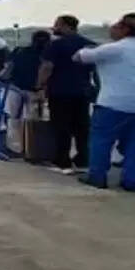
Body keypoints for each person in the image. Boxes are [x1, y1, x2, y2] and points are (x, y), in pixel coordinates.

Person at [74, 16, 135, 191]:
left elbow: (78, 57)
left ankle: (97, 176)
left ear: (124, 30)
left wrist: (91, 49)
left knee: (101, 141)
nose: (111, 30)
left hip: (112, 104)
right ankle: (131, 180)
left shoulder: (113, 49)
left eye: (114, 27)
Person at [36, 15, 94, 173]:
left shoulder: (56, 45)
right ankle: (83, 160)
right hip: (83, 91)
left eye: (57, 25)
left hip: (60, 91)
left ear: (65, 26)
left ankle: (63, 161)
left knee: (61, 127)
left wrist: (40, 86)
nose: (54, 28)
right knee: (82, 127)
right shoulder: (89, 44)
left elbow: (47, 67)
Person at [3, 30, 50, 155]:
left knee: (13, 118)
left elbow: (8, 66)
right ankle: (30, 148)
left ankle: (13, 147)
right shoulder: (48, 55)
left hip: (15, 87)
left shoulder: (19, 50)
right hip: (35, 91)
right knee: (31, 120)